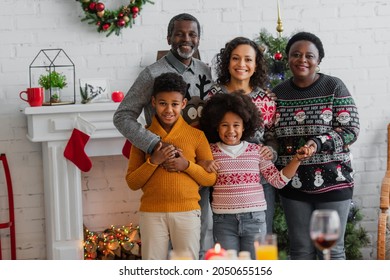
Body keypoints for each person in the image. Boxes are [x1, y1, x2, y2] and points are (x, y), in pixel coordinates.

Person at [113, 13, 214, 259]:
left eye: (192, 34)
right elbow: (123, 115)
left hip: (196, 163)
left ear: (199, 38)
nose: (186, 39)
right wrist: (153, 144)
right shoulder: (152, 74)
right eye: (179, 33)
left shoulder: (207, 71)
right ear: (169, 37)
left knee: (199, 235)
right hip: (163, 169)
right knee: (161, 247)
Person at [271, 31, 360, 260]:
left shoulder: (333, 86)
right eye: (296, 54)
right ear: (287, 59)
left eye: (309, 55)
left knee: (330, 249)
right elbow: (270, 134)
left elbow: (350, 130)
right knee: (300, 250)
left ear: (318, 60)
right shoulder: (277, 94)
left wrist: (317, 143)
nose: (302, 60)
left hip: (333, 181)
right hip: (293, 184)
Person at [199, 91, 313, 259]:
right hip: (223, 221)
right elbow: (197, 170)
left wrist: (296, 160)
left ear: (245, 126)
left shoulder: (256, 151)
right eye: (224, 125)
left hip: (255, 220)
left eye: (236, 125)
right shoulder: (210, 151)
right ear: (216, 126)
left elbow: (278, 180)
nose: (231, 130)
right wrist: (205, 164)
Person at [125, 72, 217, 260]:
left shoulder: (196, 136)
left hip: (187, 212)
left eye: (174, 104)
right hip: (151, 213)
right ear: (153, 102)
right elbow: (132, 182)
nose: (169, 110)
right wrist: (154, 161)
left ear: (183, 104)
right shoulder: (142, 138)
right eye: (162, 103)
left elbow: (210, 178)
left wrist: (186, 165)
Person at [205, 37, 278, 234]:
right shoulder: (213, 96)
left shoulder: (266, 99)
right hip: (225, 184)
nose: (242, 64)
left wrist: (270, 150)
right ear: (227, 62)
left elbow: (272, 135)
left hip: (259, 184)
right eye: (235, 58)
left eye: (248, 59)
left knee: (260, 243)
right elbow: (206, 136)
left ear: (256, 64)